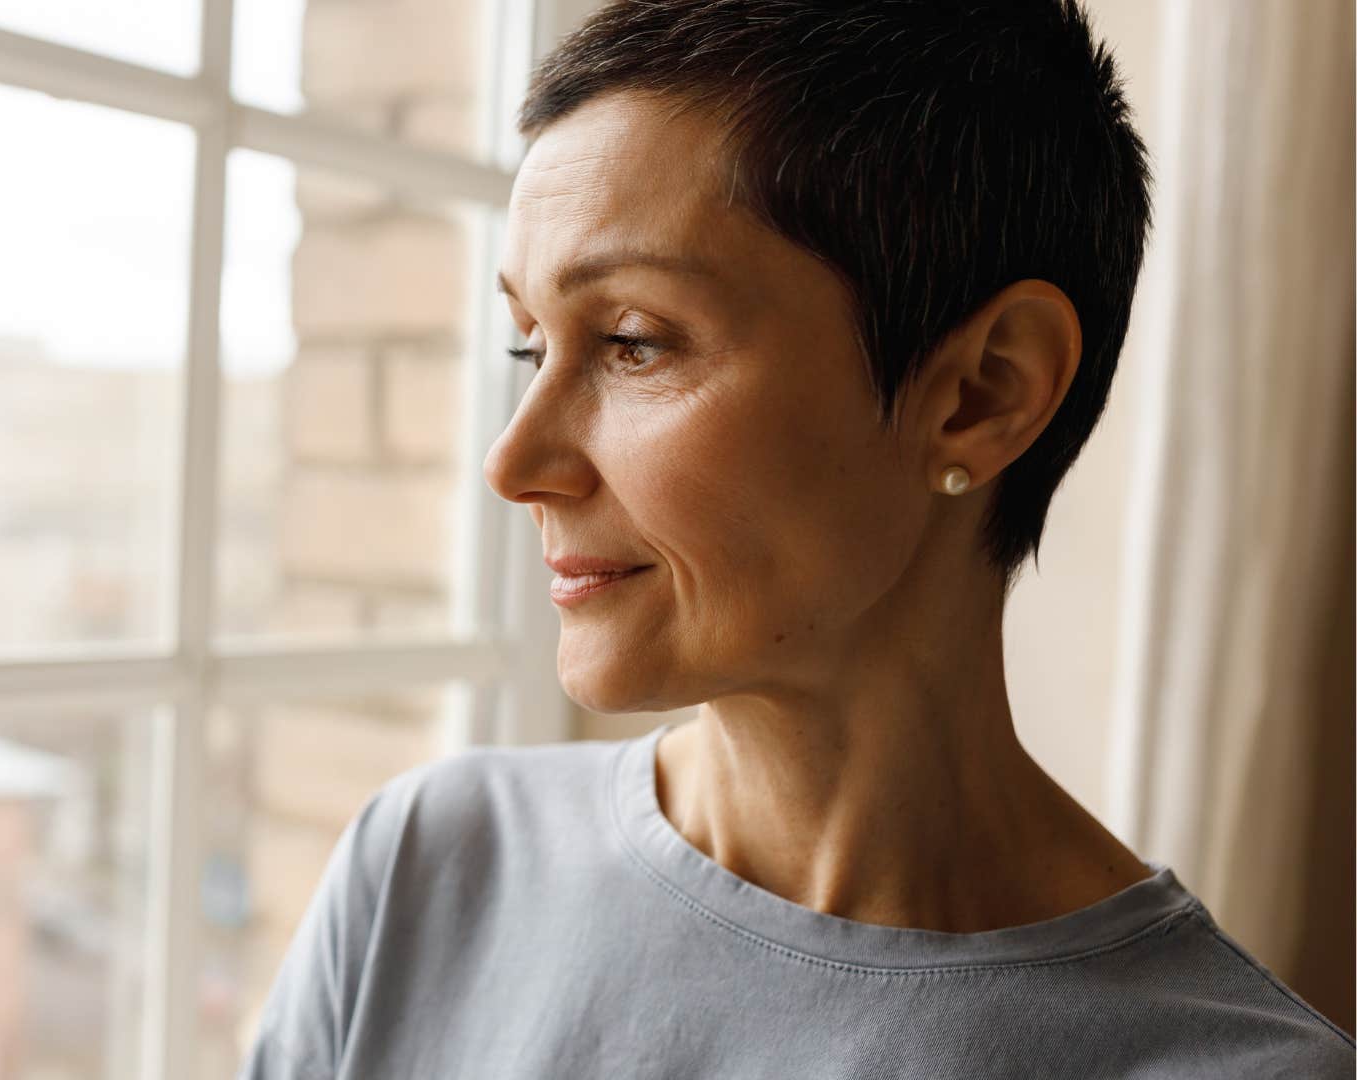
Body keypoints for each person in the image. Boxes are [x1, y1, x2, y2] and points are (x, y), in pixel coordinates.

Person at [237, 1, 1356, 1075]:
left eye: (632, 341)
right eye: (532, 345)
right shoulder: (430, 872)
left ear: (983, 392)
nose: (515, 461)